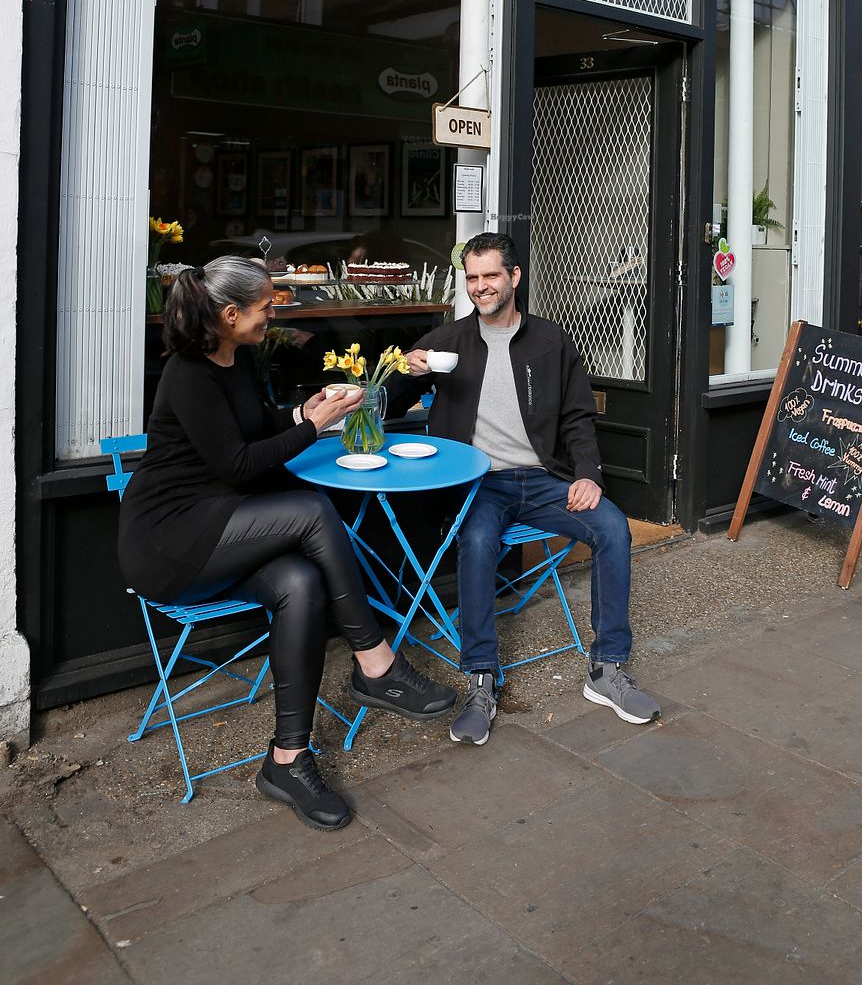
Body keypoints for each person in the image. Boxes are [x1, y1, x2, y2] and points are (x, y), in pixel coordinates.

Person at [118, 256, 457, 830]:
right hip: (170, 540)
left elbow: (257, 425)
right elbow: (240, 464)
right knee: (309, 510)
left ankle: (287, 760)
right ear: (229, 314)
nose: (274, 313)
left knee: (300, 582)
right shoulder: (190, 373)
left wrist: (305, 410)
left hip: (222, 527)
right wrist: (314, 429)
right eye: (266, 306)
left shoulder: (239, 359)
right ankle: (376, 665)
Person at [390, 232, 660, 746]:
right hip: (478, 483)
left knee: (612, 528)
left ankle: (607, 670)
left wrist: (588, 475)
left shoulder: (551, 341)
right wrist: (404, 370)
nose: (480, 287)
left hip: (543, 479)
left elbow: (579, 417)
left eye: (490, 276)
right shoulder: (446, 342)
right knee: (475, 542)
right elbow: (393, 404)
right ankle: (482, 679)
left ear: (515, 277)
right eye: (471, 278)